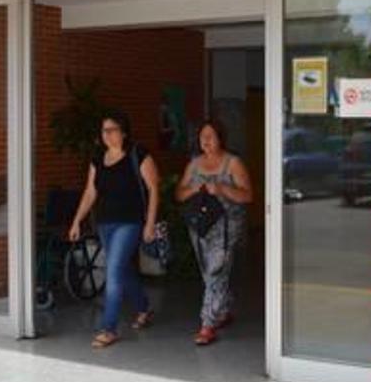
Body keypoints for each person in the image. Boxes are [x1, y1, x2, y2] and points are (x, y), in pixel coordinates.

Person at [68, 110, 159, 348]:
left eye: (111, 130)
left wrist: (149, 223)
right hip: (105, 222)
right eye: (103, 131)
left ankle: (108, 328)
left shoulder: (138, 155)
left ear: (124, 131)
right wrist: (77, 220)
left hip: (130, 223)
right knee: (122, 269)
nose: (106, 135)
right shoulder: (98, 158)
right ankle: (144, 308)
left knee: (113, 270)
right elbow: (90, 192)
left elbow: (153, 190)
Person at [176, 120, 252, 345]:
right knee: (208, 273)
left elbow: (248, 195)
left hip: (226, 227)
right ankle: (223, 309)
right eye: (202, 137)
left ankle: (207, 324)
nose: (206, 141)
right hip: (200, 227)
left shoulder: (233, 163)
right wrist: (192, 189)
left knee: (215, 272)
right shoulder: (194, 164)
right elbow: (179, 194)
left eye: (211, 136)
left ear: (221, 138)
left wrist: (222, 188)